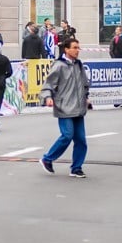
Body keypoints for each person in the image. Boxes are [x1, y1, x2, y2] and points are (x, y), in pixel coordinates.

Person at [38, 38, 90, 178]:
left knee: (81, 140)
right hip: (64, 106)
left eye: (78, 47)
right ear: (66, 49)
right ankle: (47, 159)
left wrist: (86, 96)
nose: (77, 50)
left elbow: (85, 84)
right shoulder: (59, 65)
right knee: (67, 135)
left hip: (78, 107)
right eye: (74, 47)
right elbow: (48, 84)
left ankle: (76, 168)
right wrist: (48, 97)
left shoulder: (79, 65)